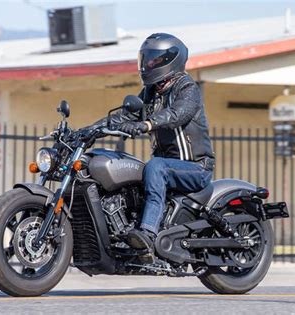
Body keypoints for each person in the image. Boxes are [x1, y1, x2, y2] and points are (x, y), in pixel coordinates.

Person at [91, 33, 215, 258]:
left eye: (154, 60)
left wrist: (147, 124)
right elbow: (124, 117)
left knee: (155, 166)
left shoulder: (187, 88)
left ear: (170, 60)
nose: (148, 64)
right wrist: (89, 130)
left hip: (195, 168)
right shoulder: (151, 92)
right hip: (168, 166)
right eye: (146, 59)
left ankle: (147, 233)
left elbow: (177, 114)